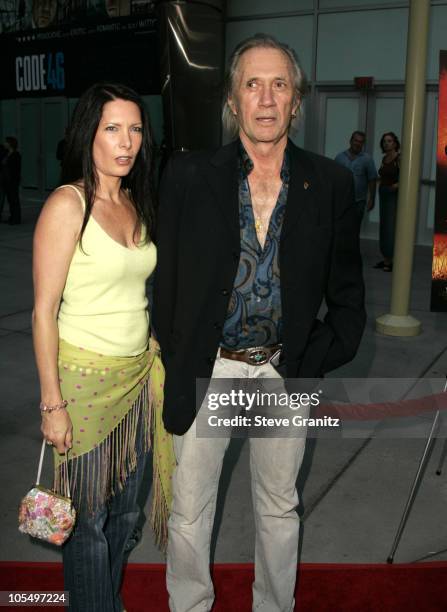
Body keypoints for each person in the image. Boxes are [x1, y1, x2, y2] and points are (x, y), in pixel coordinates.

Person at [153, 34, 366, 612]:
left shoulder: (330, 185)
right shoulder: (188, 176)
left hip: (281, 373)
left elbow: (348, 301)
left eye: (280, 85)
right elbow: (163, 285)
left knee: (278, 505)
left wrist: (310, 358)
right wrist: (174, 360)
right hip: (209, 369)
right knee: (190, 508)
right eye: (253, 84)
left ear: (297, 101)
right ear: (232, 99)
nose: (267, 98)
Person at [32, 82, 174, 612]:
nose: (127, 141)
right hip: (83, 385)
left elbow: (134, 289)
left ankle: (101, 600)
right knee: (87, 521)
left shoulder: (135, 201)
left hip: (137, 381)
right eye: (113, 128)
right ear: (88, 133)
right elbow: (44, 311)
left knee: (127, 515)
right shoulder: (68, 205)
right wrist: (52, 404)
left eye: (135, 128)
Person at [335, 130, 377, 223]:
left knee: (355, 228)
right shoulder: (340, 157)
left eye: (361, 142)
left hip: (359, 201)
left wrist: (372, 199)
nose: (358, 143)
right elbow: (334, 178)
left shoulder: (367, 159)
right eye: (356, 140)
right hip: (342, 200)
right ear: (351, 141)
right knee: (341, 227)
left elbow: (372, 179)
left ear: (363, 144)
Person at [374, 131, 400, 272]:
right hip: (383, 194)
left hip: (392, 196)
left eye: (389, 141)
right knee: (384, 226)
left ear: (395, 143)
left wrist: (394, 187)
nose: (386, 143)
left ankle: (390, 260)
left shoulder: (398, 158)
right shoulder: (385, 158)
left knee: (390, 227)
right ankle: (386, 259)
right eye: (384, 141)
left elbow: (404, 178)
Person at [3, 136, 22, 225]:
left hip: (12, 180)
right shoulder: (6, 154)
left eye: (6, 142)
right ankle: (12, 217)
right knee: (10, 200)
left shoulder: (16, 155)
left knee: (14, 199)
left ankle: (16, 218)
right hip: (6, 180)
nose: (5, 144)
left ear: (10, 144)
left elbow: (16, 169)